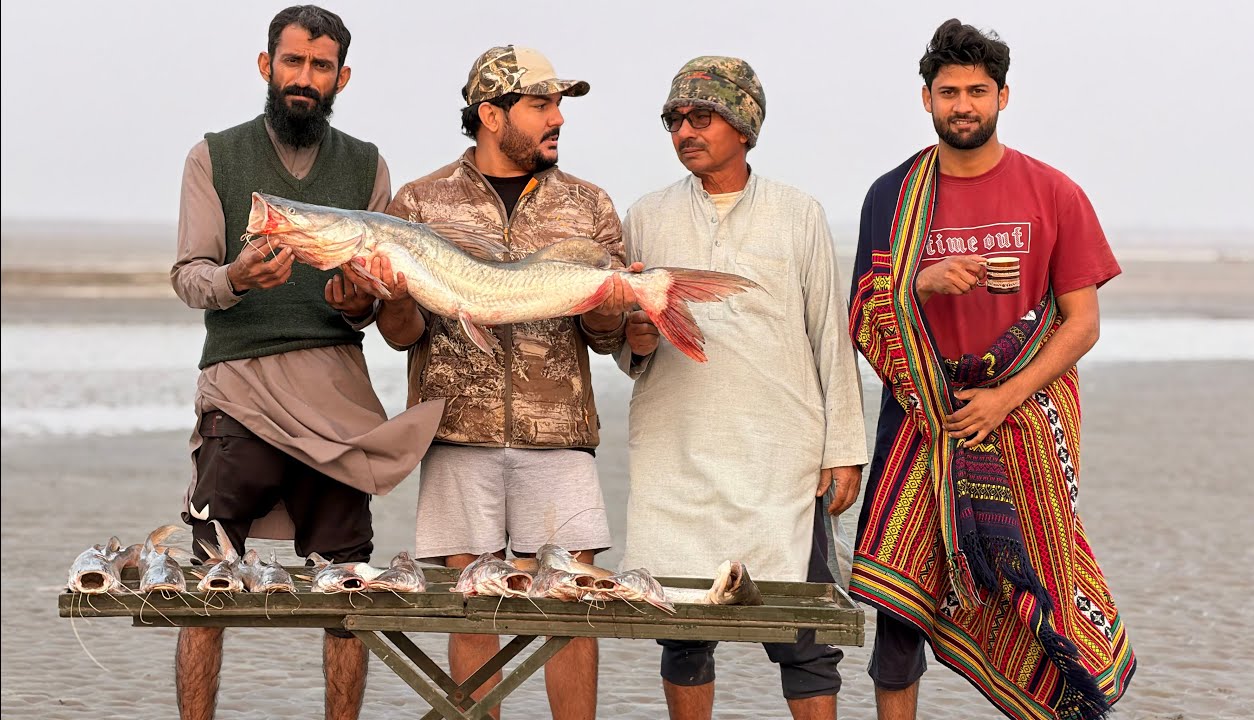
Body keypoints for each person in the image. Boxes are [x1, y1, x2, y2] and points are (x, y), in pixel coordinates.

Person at [848, 19, 1136, 720]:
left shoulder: (1053, 192)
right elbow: (862, 310)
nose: (963, 105)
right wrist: (920, 282)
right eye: (949, 92)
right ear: (926, 99)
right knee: (899, 606)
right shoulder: (892, 196)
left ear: (1003, 96)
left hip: (1024, 421)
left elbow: (1082, 322)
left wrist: (1004, 397)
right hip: (922, 420)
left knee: (1039, 590)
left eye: (977, 91)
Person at [168, 6, 440, 719]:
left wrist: (357, 303)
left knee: (347, 590)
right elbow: (189, 275)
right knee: (209, 586)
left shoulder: (368, 165)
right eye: (293, 62)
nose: (304, 78)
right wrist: (235, 278)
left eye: (321, 67)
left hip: (337, 402)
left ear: (341, 78)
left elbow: (377, 301)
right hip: (238, 392)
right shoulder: (213, 157)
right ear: (267, 66)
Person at [364, 45, 628, 720]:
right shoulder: (418, 202)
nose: (558, 118)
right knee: (474, 609)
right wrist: (392, 295)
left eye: (558, 105)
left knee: (572, 610)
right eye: (541, 105)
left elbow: (605, 339)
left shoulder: (589, 205)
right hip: (455, 433)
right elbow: (402, 335)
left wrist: (610, 305)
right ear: (490, 114)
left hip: (561, 438)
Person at [615, 56, 868, 720]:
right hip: (678, 458)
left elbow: (830, 335)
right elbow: (627, 346)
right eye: (675, 120)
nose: (685, 132)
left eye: (702, 117)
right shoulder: (645, 216)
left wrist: (844, 449)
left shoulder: (797, 214)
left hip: (781, 463)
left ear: (745, 125)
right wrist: (634, 338)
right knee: (682, 631)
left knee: (804, 637)